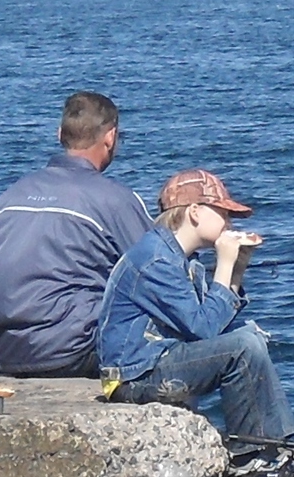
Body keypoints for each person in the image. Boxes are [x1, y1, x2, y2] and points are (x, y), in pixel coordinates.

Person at [98, 169, 294, 476]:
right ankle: (253, 455)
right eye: (223, 213)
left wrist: (236, 270)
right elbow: (203, 329)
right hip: (133, 377)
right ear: (194, 212)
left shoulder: (180, 258)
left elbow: (211, 326)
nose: (229, 224)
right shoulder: (156, 260)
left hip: (155, 362)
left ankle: (275, 447)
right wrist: (225, 263)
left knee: (249, 336)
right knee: (244, 345)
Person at [0, 91, 153, 378]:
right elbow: (157, 274)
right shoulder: (116, 200)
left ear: (60, 134)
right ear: (110, 137)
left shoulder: (11, 195)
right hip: (70, 351)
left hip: (3, 347)